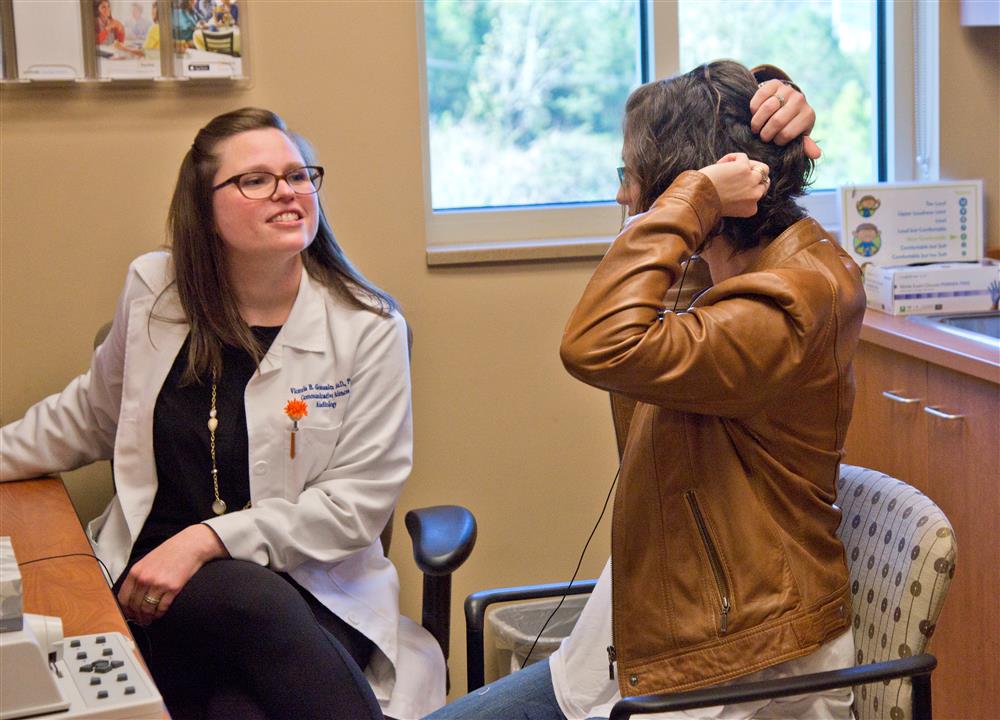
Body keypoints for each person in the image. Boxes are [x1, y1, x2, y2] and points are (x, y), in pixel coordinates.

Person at [427, 61, 864, 720]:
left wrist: (691, 200)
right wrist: (771, 89)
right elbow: (710, 111)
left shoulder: (790, 301)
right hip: (660, 628)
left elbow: (597, 342)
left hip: (737, 661)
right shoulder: (728, 270)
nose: (626, 199)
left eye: (632, 178)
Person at [0, 108, 445, 720]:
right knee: (241, 601)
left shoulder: (367, 327)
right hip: (158, 588)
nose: (288, 191)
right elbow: (93, 415)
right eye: (256, 180)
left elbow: (358, 504)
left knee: (240, 704)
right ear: (203, 209)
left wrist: (209, 540)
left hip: (311, 590)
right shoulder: (156, 290)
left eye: (297, 174)